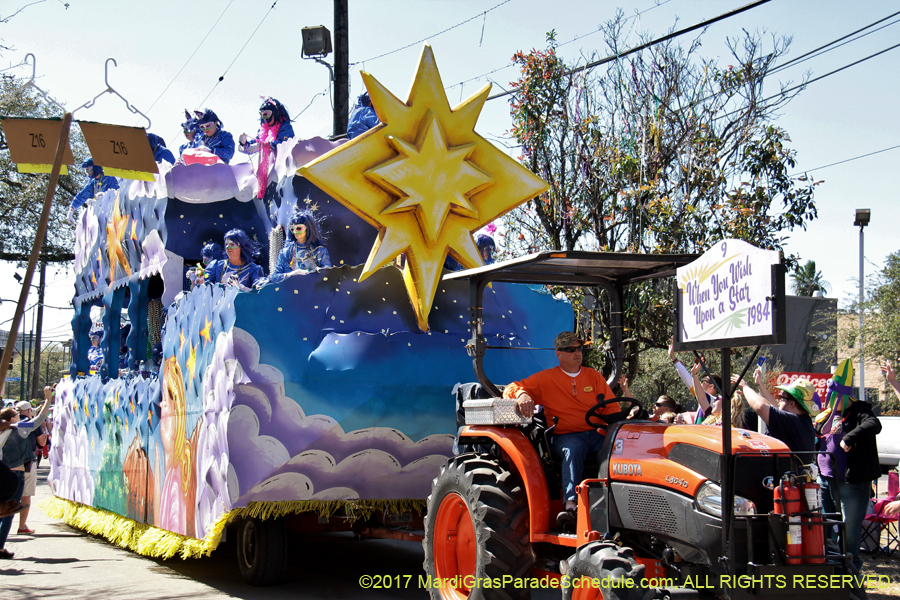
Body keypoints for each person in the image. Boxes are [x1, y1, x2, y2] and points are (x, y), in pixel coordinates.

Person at [503, 331, 625, 531]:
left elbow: (611, 408)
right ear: (559, 354)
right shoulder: (546, 379)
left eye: (579, 348)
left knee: (618, 447)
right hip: (565, 436)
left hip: (595, 433)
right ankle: (571, 506)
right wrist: (523, 394)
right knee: (573, 450)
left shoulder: (593, 376)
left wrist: (616, 423)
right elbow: (512, 388)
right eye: (571, 349)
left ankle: (616, 500)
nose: (577, 353)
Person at [813, 376, 881, 572]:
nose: (831, 398)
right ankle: (831, 567)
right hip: (825, 479)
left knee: (849, 527)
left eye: (835, 395)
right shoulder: (828, 413)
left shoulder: (860, 411)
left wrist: (849, 438)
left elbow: (874, 424)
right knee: (828, 524)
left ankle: (850, 570)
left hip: (851, 481)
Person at [0, 393, 52, 559]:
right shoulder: (18, 430)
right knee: (9, 510)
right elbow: (40, 418)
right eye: (16, 415)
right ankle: (0, 546)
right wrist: (48, 399)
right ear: (12, 419)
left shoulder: (3, 432)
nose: (19, 416)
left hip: (2, 470)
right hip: (15, 473)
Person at [732, 370, 818, 453]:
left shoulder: (791, 421)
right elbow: (772, 406)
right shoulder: (801, 420)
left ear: (792, 404)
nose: (778, 400)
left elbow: (761, 407)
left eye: (781, 397)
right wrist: (759, 385)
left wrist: (745, 387)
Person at [239, 97, 295, 199]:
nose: (264, 117)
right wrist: (243, 143)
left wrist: (264, 145)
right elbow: (254, 145)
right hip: (267, 172)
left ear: (275, 113)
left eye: (266, 114)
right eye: (262, 114)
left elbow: (285, 143)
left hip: (284, 170)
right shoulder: (263, 131)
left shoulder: (285, 127)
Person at [268, 207, 331, 285]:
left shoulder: (319, 251)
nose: (295, 231)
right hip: (291, 292)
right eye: (292, 228)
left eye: (298, 228)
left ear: (308, 228)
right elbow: (274, 277)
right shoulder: (285, 252)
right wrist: (290, 274)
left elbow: (328, 275)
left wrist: (310, 272)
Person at [14, 398, 47, 536]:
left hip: (8, 463)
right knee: (25, 494)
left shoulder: (10, 423)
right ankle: (22, 526)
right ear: (28, 411)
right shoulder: (29, 424)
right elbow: (42, 441)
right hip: (26, 462)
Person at [67, 158, 120, 225]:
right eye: (86, 170)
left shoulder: (109, 178)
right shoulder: (92, 183)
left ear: (95, 167)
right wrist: (71, 210)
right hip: (97, 218)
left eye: (88, 169)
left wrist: (103, 196)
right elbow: (81, 196)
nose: (87, 172)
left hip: (110, 218)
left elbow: (116, 195)